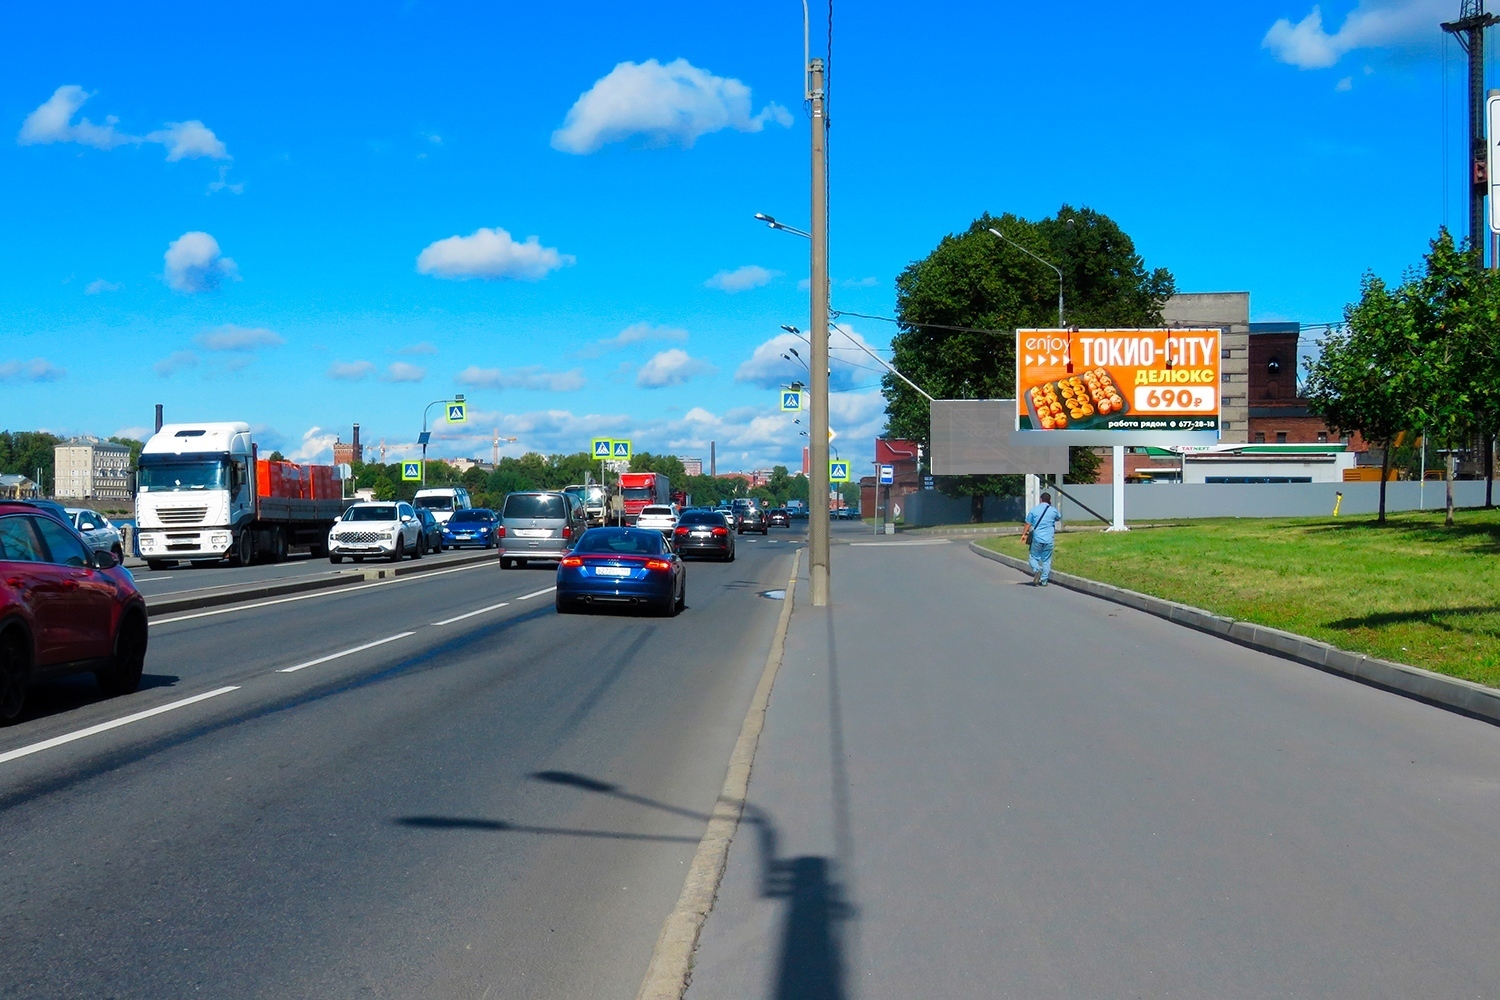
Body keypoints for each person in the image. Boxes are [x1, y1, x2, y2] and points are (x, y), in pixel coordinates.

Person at [1023, 491, 1063, 586]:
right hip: (1049, 539)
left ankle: (1037, 570)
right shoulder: (1053, 510)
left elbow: (1028, 523)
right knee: (1046, 560)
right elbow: (1058, 517)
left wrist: (1024, 534)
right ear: (1050, 500)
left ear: (1040, 499)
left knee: (1033, 557)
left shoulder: (1034, 510)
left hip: (1037, 538)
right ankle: (1044, 580)